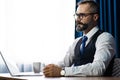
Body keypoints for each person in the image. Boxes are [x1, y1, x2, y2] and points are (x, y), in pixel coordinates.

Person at [43, 0, 116, 77]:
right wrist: (50, 68)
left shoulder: (105, 38)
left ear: (95, 17)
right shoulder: (77, 42)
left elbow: (98, 69)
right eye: (77, 15)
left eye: (82, 15)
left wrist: (63, 72)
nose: (77, 19)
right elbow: (64, 63)